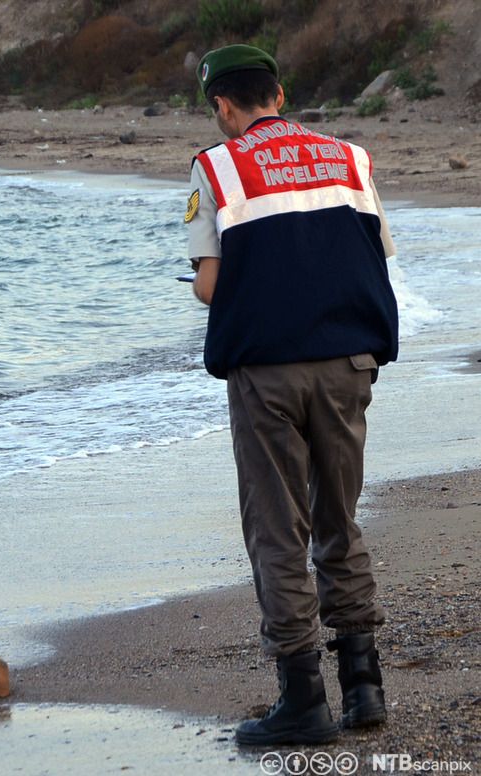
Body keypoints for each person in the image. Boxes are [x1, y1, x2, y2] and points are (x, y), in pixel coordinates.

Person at [184, 44, 398, 746]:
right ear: (279, 91)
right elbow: (374, 254)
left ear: (222, 105)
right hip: (348, 364)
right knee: (340, 517)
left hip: (268, 372)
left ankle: (302, 699)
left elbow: (212, 287)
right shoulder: (351, 158)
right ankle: (365, 689)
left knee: (279, 530)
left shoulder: (216, 166)